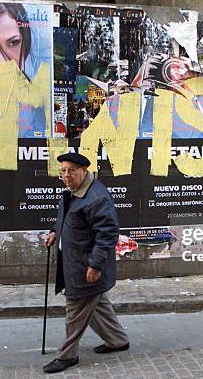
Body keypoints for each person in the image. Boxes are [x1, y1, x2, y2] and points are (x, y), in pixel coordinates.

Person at [42, 152, 129, 374]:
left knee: (75, 309)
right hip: (75, 262)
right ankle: (117, 340)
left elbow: (108, 234)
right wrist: (55, 231)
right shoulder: (74, 193)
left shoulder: (96, 197)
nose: (66, 175)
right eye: (62, 171)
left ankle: (67, 355)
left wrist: (96, 265)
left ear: (83, 171)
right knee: (97, 305)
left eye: (71, 170)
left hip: (85, 266)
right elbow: (69, 217)